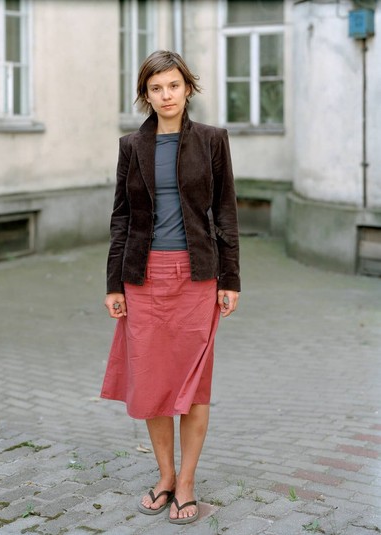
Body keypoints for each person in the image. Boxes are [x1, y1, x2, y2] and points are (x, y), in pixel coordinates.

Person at [101, 50, 240, 525]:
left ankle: (187, 483)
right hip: (143, 278)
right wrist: (114, 283)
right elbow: (121, 217)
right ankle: (165, 476)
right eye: (156, 88)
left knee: (194, 384)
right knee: (152, 380)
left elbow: (225, 212)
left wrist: (231, 278)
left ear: (188, 88)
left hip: (198, 276)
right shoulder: (131, 146)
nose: (166, 96)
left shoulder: (212, 141)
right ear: (146, 94)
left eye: (174, 86)